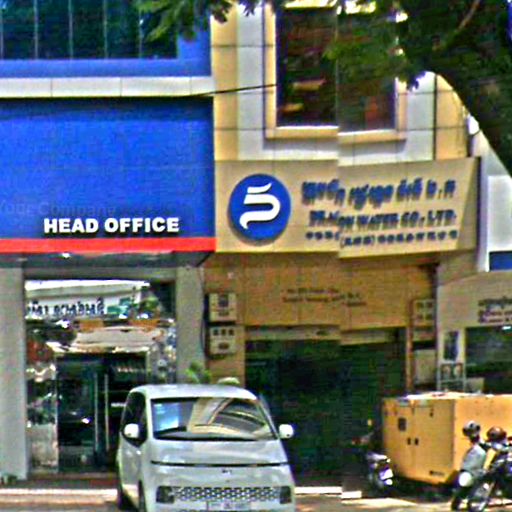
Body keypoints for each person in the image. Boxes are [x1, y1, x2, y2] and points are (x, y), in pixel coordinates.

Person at [451, 421, 488, 510]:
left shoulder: (482, 443)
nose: (471, 434)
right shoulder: (472, 444)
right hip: (469, 467)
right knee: (465, 483)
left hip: (477, 466)